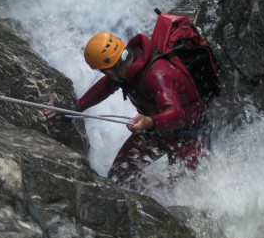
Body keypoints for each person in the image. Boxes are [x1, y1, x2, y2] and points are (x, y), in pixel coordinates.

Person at [44, 32, 210, 186]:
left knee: (185, 192)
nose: (104, 74)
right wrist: (74, 108)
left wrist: (148, 122)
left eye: (102, 71)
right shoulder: (124, 67)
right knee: (118, 177)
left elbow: (177, 115)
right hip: (156, 132)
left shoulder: (156, 75)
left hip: (188, 137)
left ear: (108, 69)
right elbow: (106, 86)